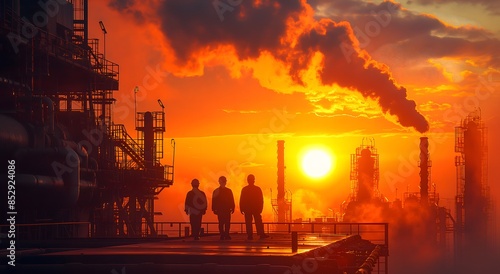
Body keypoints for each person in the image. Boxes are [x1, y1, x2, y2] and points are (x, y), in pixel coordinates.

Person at [239, 174, 269, 240]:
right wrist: (260, 208)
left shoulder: (245, 189)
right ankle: (261, 234)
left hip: (249, 209)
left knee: (249, 222)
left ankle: (250, 235)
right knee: (258, 221)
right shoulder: (257, 189)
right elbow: (261, 200)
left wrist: (242, 208)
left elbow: (242, 200)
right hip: (255, 209)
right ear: (254, 180)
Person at [212, 176, 235, 240]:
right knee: (222, 223)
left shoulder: (219, 191)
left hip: (225, 209)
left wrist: (232, 207)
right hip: (222, 210)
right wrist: (214, 209)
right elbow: (214, 201)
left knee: (225, 223)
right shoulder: (227, 191)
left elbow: (231, 200)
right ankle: (223, 234)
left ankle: (225, 234)